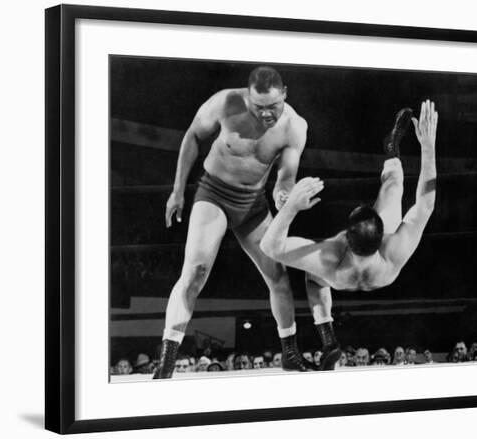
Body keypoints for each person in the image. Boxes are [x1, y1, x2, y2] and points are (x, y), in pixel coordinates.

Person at [154, 66, 337, 379]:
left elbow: (286, 175)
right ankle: (166, 363)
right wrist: (177, 191)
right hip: (214, 194)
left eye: (273, 107)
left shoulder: (294, 126)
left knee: (277, 274)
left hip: (253, 204)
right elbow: (193, 136)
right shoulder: (225, 103)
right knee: (195, 272)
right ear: (248, 97)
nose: (266, 115)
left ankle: (290, 353)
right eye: (259, 107)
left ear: (285, 95)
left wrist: (283, 195)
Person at [260, 100, 438, 298]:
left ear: (344, 237)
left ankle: (323, 320)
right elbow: (425, 205)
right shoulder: (394, 252)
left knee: (313, 279)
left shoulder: (328, 257)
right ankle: (391, 148)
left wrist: (291, 207)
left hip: (336, 278)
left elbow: (270, 247)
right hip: (378, 274)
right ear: (383, 237)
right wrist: (428, 148)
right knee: (395, 184)